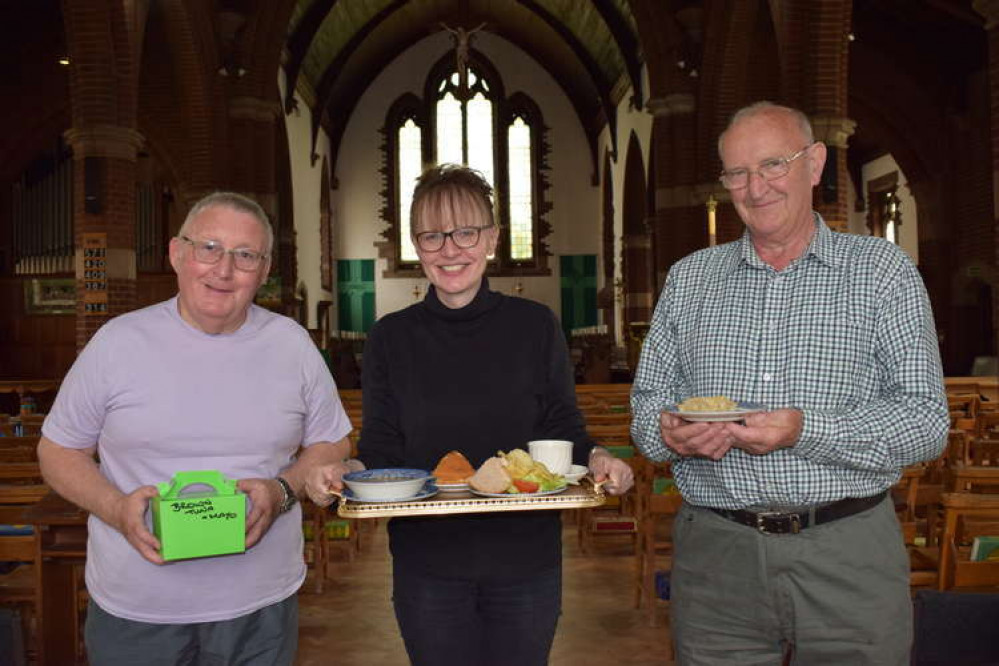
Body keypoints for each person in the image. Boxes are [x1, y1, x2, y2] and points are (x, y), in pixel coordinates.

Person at [630, 102, 948, 666]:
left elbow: (925, 422)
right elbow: (646, 406)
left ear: (815, 163)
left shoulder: (883, 272)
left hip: (847, 552)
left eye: (773, 165)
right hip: (717, 555)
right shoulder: (690, 279)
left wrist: (805, 430)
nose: (756, 188)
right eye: (737, 173)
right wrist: (672, 434)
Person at [306, 164, 634, 666]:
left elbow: (561, 427)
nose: (450, 249)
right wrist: (345, 472)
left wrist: (598, 456)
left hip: (526, 559)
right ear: (417, 245)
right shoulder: (390, 338)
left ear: (492, 239)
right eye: (432, 235)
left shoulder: (535, 326)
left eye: (466, 232)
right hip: (427, 563)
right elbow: (381, 444)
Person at [37, 192, 353, 665]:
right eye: (208, 247)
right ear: (176, 254)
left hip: (258, 609)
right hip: (138, 610)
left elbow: (332, 441)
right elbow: (58, 451)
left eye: (245, 256)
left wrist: (282, 489)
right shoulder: (117, 343)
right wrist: (116, 508)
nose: (223, 270)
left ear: (264, 270)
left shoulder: (292, 345)